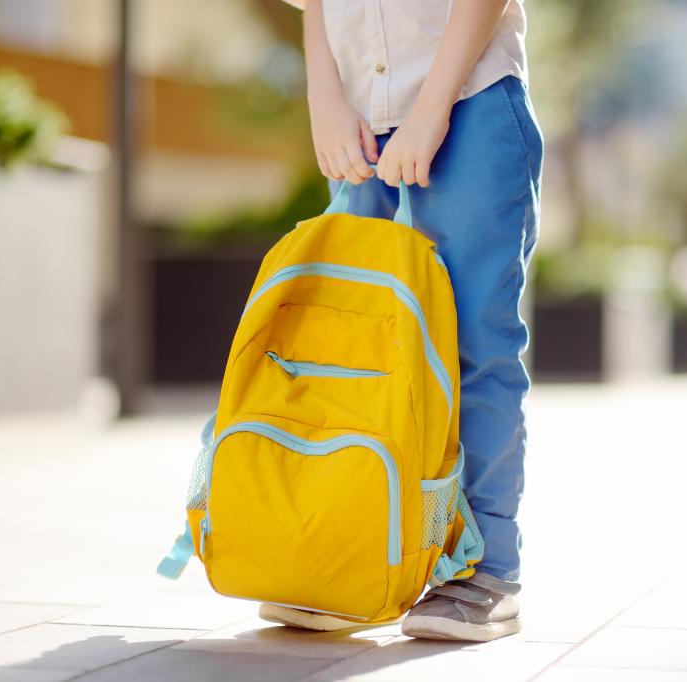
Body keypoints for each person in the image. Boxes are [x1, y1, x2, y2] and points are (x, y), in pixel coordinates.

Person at [264, 0, 543, 642]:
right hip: (360, 116)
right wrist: (323, 96)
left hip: (469, 100)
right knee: (342, 351)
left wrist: (429, 110)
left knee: (475, 346)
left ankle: (485, 572)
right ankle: (346, 557)